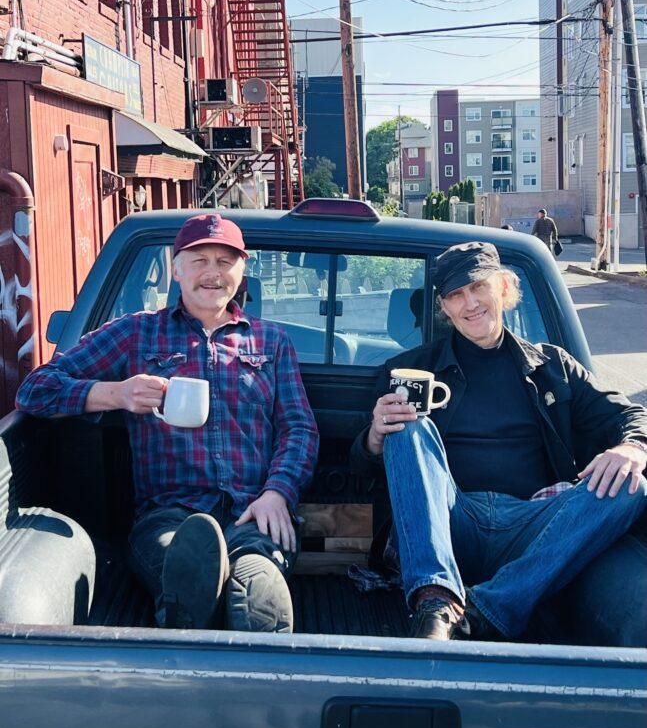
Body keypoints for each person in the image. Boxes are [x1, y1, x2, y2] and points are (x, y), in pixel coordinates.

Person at [16, 213, 319, 633]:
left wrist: (277, 493)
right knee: (185, 575)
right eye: (199, 260)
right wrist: (117, 394)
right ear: (176, 269)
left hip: (253, 513)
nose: (212, 272)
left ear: (242, 271)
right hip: (167, 516)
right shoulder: (136, 333)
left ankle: (254, 642)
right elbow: (35, 389)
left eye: (224, 261)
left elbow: (298, 428)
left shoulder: (271, 341)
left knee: (258, 588)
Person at [350, 241, 647, 642]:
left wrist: (631, 446)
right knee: (412, 429)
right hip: (449, 521)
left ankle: (486, 609)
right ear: (444, 307)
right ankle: (435, 602)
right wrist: (374, 436)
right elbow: (361, 469)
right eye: (456, 295)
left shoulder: (553, 367)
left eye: (478, 287)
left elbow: (629, 414)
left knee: (631, 486)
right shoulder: (408, 371)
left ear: (504, 289)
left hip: (536, 527)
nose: (470, 303)